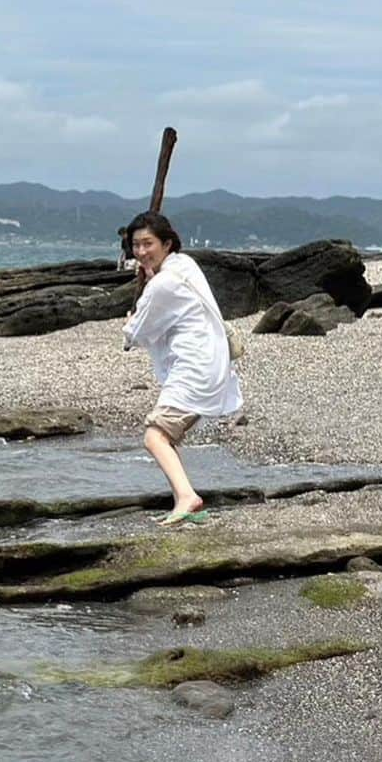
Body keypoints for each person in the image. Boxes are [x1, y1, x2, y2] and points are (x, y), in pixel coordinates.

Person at [122, 210, 243, 526]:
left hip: (194, 368)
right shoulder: (186, 266)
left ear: (167, 243)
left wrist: (130, 322)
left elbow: (135, 334)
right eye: (136, 245)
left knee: (155, 436)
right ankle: (183, 497)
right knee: (167, 435)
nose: (141, 252)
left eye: (148, 244)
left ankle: (188, 497)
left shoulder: (164, 283)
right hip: (208, 363)